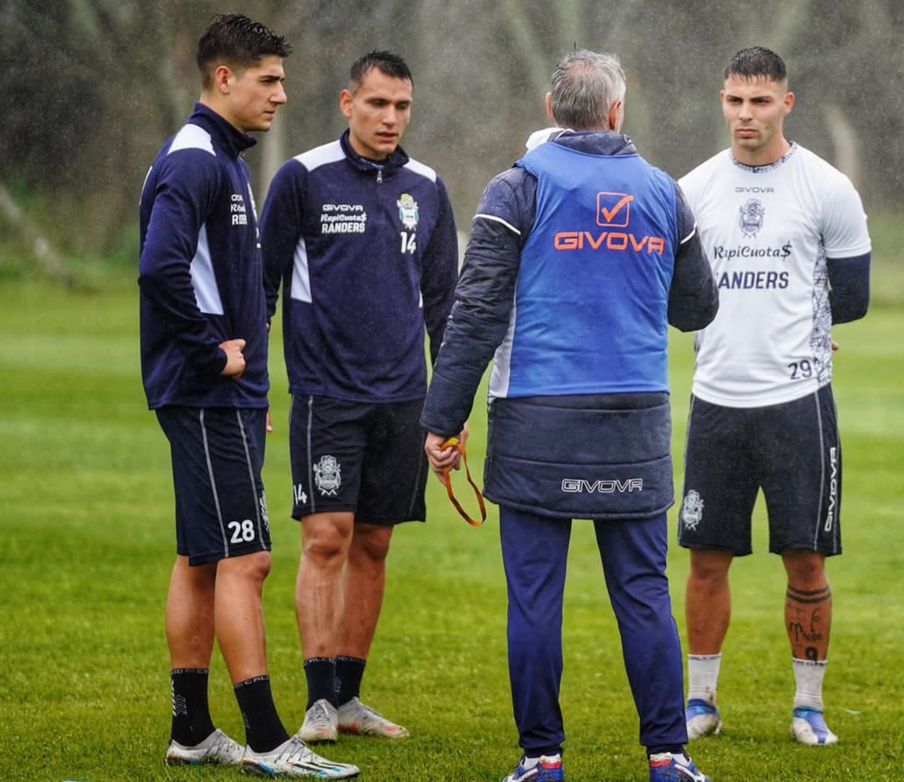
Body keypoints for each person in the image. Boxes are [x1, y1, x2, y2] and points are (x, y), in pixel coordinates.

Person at [421, 50, 717, 782]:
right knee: (644, 594)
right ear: (616, 113)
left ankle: (542, 758)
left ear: (552, 112)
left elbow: (477, 312)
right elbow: (697, 309)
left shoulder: (515, 188)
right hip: (634, 422)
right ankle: (668, 755)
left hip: (536, 421)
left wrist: (443, 418)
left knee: (535, 599)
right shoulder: (662, 191)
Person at [138, 13, 357, 778]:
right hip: (202, 394)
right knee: (249, 558)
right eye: (268, 80)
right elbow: (159, 269)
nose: (281, 95)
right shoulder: (196, 161)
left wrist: (250, 381)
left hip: (220, 398)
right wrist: (213, 355)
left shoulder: (224, 159)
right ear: (223, 78)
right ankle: (268, 738)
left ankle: (192, 729)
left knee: (202, 560)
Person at [676, 47, 872, 748]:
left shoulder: (826, 188)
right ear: (721, 101)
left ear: (787, 102)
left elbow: (852, 299)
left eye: (760, 101)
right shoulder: (690, 189)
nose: (745, 115)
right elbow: (675, 299)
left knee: (806, 559)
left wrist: (810, 330)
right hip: (715, 400)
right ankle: (699, 703)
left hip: (798, 402)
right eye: (734, 101)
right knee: (706, 558)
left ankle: (809, 706)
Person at [261, 49, 457, 746]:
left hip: (404, 398)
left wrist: (450, 408)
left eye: (402, 106)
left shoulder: (429, 188)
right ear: (348, 103)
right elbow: (263, 286)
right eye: (377, 104)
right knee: (326, 539)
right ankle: (317, 703)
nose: (390, 118)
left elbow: (444, 306)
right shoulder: (303, 178)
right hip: (326, 395)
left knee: (373, 543)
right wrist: (255, 384)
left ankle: (347, 696)